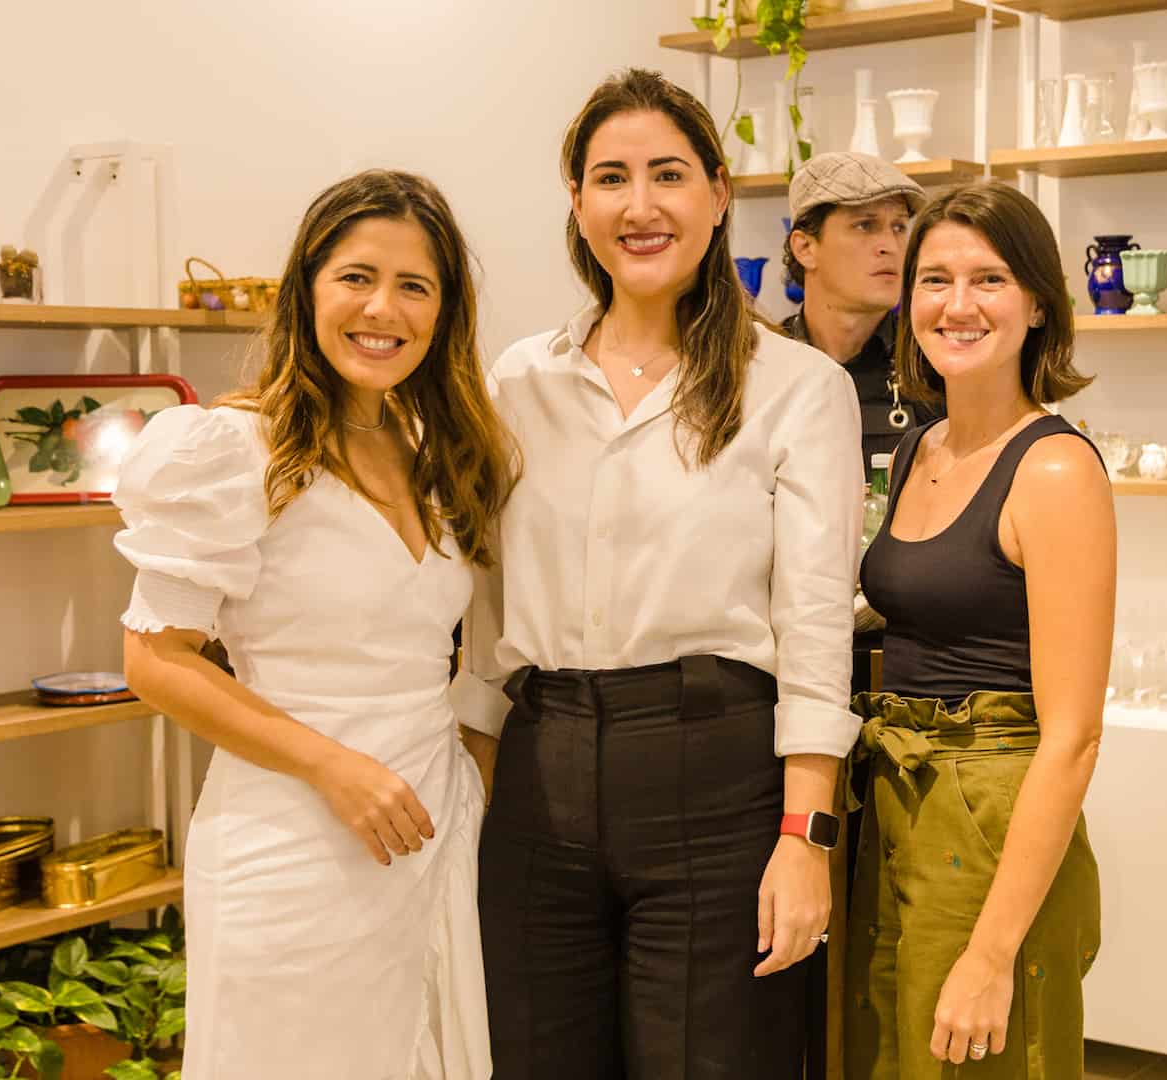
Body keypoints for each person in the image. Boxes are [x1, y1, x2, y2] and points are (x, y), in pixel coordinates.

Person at [451, 68, 863, 1078]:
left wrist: (806, 839)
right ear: (577, 202)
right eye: (611, 178)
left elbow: (816, 631)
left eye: (668, 174)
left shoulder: (797, 387)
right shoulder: (517, 381)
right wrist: (477, 809)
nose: (640, 206)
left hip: (716, 781)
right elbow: (486, 622)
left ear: (719, 194)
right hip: (540, 774)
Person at [115, 170, 516, 1079]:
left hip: (429, 828)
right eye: (356, 278)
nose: (383, 310)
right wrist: (333, 768)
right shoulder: (233, 449)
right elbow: (156, 661)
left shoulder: (433, 448)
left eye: (414, 286)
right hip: (291, 841)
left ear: (445, 310)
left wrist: (472, 772)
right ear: (307, 287)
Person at [846, 180, 1115, 1079]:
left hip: (992, 815)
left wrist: (993, 952)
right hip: (899, 796)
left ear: (1037, 304)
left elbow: (1073, 737)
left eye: (989, 279)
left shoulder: (1054, 469)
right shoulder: (918, 447)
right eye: (935, 280)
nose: (957, 306)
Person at [780, 151, 939, 466]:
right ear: (805, 247)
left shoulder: (932, 363)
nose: (890, 246)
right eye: (865, 225)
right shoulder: (759, 364)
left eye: (899, 227)